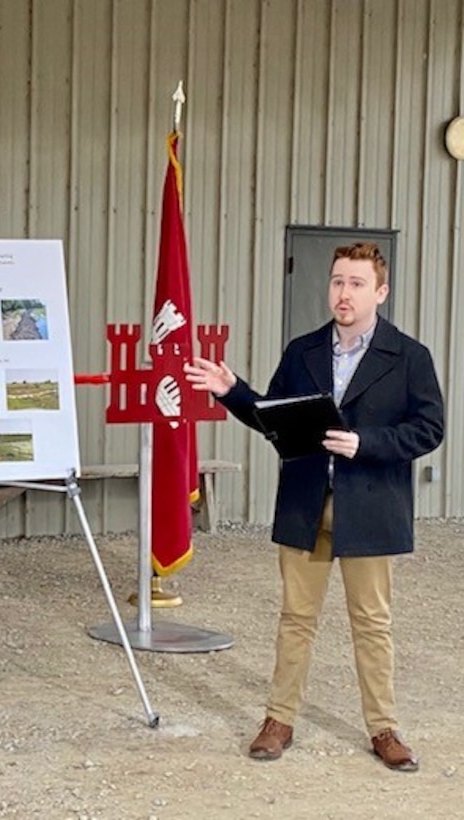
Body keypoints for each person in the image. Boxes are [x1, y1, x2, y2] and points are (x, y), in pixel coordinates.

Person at [183, 242, 444, 772]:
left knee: (372, 622)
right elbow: (273, 418)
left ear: (381, 292)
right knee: (295, 619)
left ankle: (384, 728)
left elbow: (430, 428)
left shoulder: (410, 357)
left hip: (370, 506)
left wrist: (365, 443)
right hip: (307, 503)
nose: (343, 293)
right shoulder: (302, 350)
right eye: (337, 282)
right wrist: (234, 391)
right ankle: (279, 720)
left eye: (356, 283)